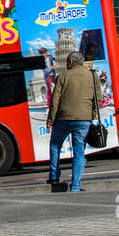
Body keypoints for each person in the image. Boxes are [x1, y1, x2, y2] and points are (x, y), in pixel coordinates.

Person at [46, 51, 101, 193]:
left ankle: (54, 176)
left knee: (55, 145)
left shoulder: (62, 76)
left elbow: (55, 100)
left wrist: (51, 120)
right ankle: (75, 186)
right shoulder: (92, 76)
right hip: (84, 119)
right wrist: (91, 115)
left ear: (70, 62)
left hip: (63, 118)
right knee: (79, 151)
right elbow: (98, 99)